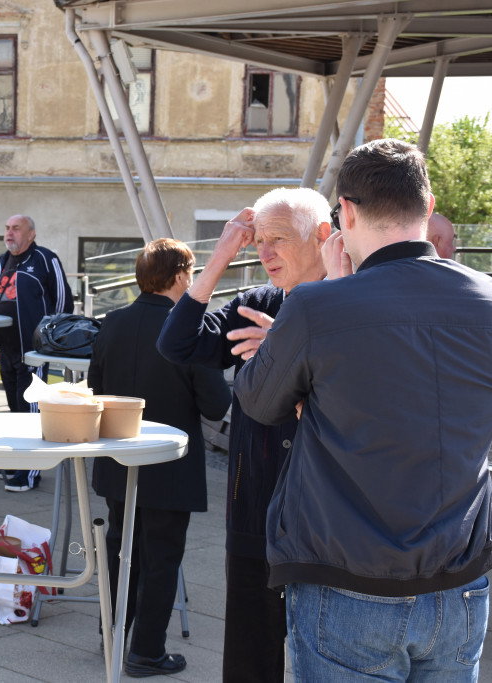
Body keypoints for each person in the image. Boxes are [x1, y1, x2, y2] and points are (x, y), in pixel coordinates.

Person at [235, 138, 492, 681]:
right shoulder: (491, 301)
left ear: (347, 212)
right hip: (459, 582)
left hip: (346, 584)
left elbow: (258, 401)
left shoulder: (316, 306)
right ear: (427, 207)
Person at [158, 187, 330, 683]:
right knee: (249, 658)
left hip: (328, 519)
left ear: (323, 236)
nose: (266, 252)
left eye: (280, 239)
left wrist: (284, 349)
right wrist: (219, 258)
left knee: (329, 659)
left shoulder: (350, 308)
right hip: (257, 508)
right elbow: (176, 344)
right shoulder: (256, 303)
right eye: (259, 241)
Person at [89, 238, 231, 678]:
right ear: (180, 275)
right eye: (191, 270)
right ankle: (146, 652)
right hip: (169, 463)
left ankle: (111, 636)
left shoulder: (112, 322)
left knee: (120, 549)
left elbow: (96, 388)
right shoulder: (189, 327)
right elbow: (215, 404)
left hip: (118, 456)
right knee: (161, 558)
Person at [0, 214, 73, 492]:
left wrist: (49, 338)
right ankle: (17, 461)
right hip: (7, 348)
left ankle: (31, 472)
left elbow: (63, 301)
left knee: (31, 411)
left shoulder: (46, 259)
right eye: (7, 228)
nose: (9, 233)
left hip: (32, 350)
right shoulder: (3, 260)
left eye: (16, 228)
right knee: (15, 409)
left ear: (31, 234)